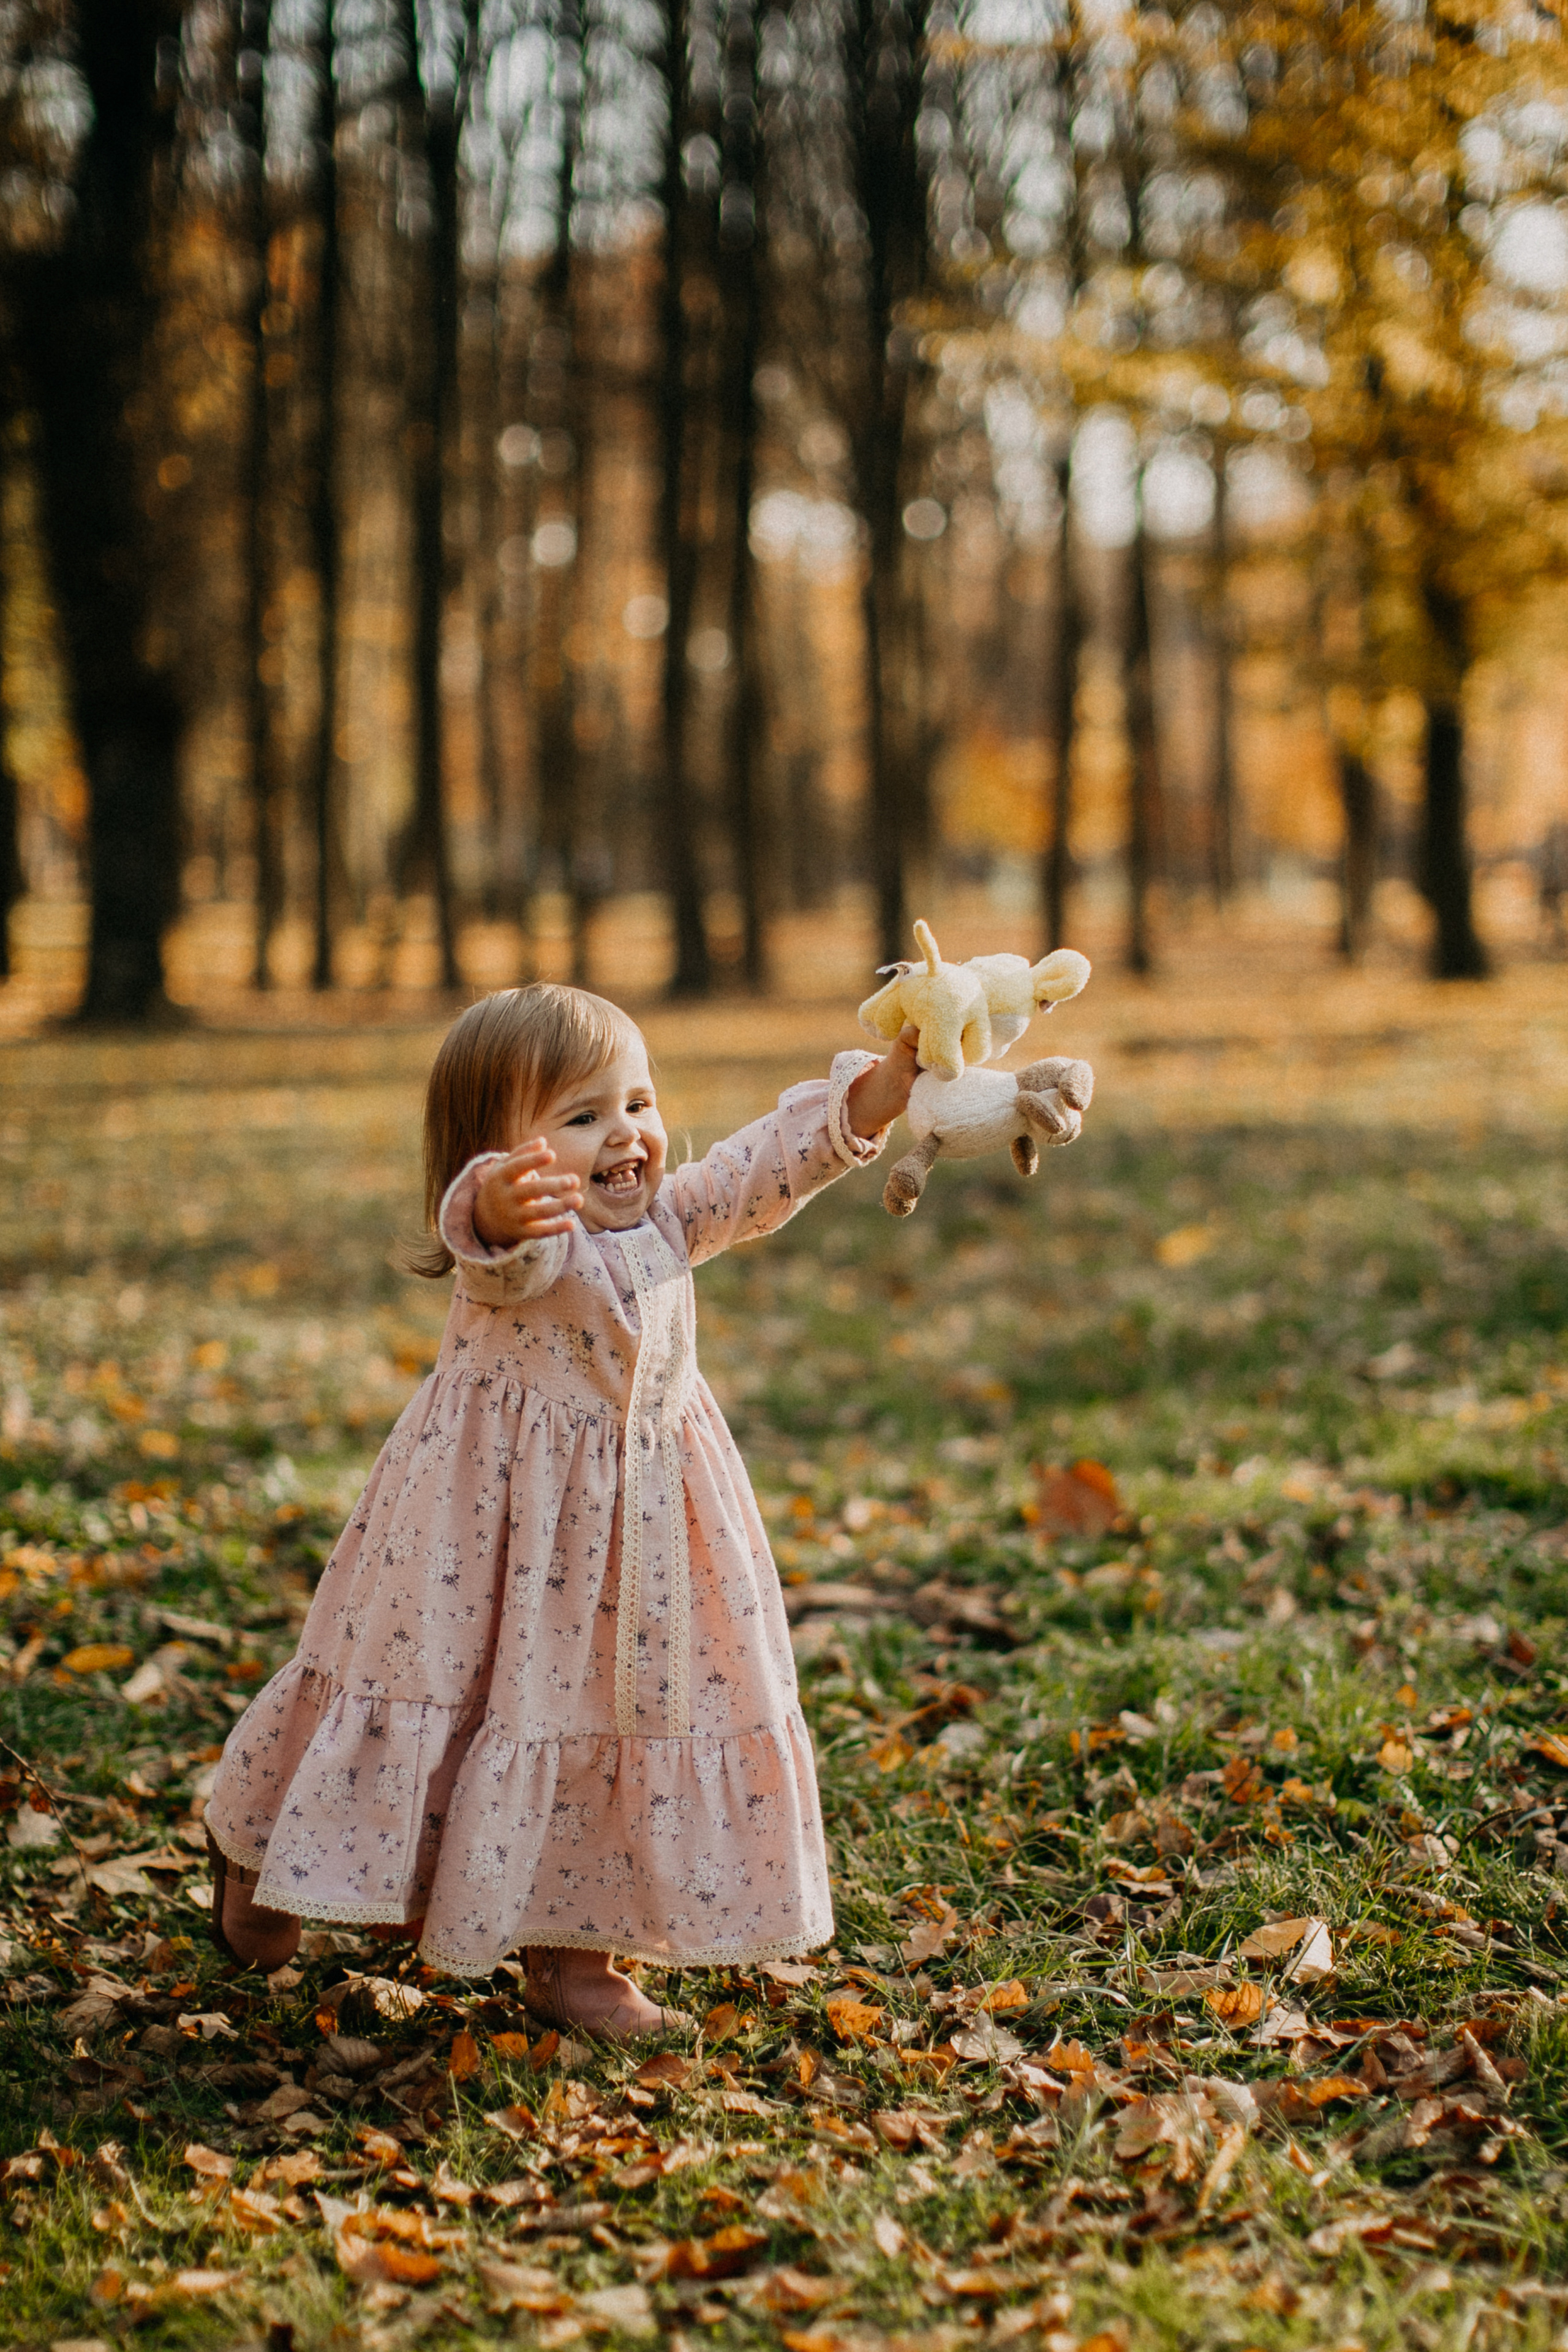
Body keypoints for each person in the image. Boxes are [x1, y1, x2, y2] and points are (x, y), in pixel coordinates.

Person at [202, 982, 924, 2037]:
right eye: (582, 1118)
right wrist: (492, 1207)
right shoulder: (523, 1250)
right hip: (491, 1548)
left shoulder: (673, 1218)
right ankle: (262, 1861)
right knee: (429, 1701)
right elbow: (486, 1242)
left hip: (645, 1540)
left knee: (611, 1723)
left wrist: (878, 1098)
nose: (625, 1135)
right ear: (496, 1154)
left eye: (637, 1102)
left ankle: (577, 1965)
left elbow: (766, 1170)